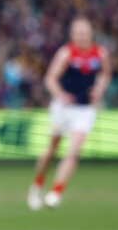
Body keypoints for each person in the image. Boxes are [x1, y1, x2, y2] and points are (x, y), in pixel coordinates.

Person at [27, 17, 111, 211]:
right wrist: (61, 95)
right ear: (72, 35)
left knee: (73, 151)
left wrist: (99, 89)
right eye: (78, 32)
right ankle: (37, 184)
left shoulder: (100, 53)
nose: (82, 36)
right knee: (52, 150)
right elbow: (50, 78)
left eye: (85, 32)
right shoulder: (66, 54)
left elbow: (106, 74)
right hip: (62, 109)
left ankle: (56, 191)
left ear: (91, 33)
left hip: (84, 109)